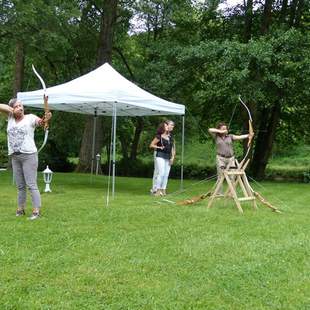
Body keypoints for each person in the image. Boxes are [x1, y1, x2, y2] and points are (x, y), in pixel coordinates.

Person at [0, 98, 52, 220]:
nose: (21, 108)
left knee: (31, 184)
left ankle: (36, 211)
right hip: (15, 156)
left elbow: (41, 122)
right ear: (12, 108)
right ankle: (20, 209)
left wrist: (46, 119)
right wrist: (12, 110)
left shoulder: (30, 118)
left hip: (29, 156)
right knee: (20, 186)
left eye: (21, 106)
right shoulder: (10, 118)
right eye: (17, 106)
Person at [208, 122, 253, 194]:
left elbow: (239, 137)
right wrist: (221, 131)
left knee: (232, 176)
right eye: (223, 129)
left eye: (226, 128)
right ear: (219, 129)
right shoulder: (216, 136)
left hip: (231, 159)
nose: (225, 130)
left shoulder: (230, 136)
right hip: (220, 159)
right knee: (220, 176)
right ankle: (219, 193)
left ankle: (231, 193)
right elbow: (210, 130)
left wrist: (249, 135)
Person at [150, 120, 175, 196]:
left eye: (168, 126)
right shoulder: (159, 136)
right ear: (163, 128)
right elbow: (151, 145)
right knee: (161, 173)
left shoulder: (171, 137)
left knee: (166, 174)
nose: (168, 127)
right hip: (160, 155)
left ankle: (163, 190)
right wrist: (159, 147)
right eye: (166, 126)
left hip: (168, 156)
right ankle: (157, 190)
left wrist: (172, 158)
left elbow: (173, 148)